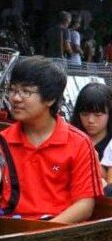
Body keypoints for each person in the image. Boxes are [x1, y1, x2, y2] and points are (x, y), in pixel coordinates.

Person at [0, 56, 103, 222]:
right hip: (11, 229)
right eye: (12, 90)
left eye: (26, 92)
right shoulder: (3, 141)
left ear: (50, 98)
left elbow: (84, 205)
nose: (15, 98)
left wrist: (43, 233)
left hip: (58, 233)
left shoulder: (78, 143)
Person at [70, 82, 112, 159]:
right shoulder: (70, 142)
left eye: (98, 115)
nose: (90, 120)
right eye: (84, 114)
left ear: (110, 113)